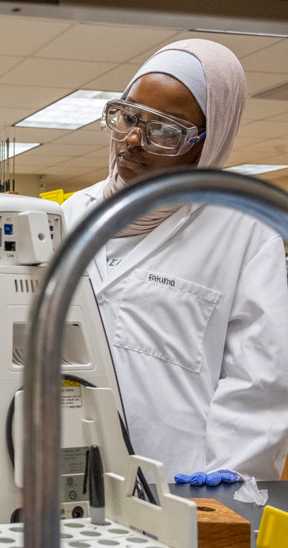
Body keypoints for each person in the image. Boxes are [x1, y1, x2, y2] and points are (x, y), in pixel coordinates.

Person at [62, 39, 288, 482]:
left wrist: (226, 481)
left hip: (182, 481)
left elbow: (261, 381)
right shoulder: (69, 217)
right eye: (128, 116)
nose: (131, 139)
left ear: (209, 141)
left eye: (165, 130)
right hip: (67, 470)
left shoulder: (243, 230)